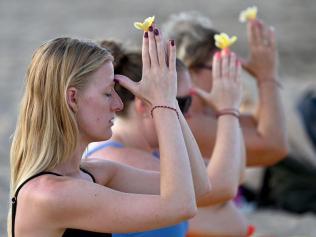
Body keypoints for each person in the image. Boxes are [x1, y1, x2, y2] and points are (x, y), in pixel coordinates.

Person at [8, 27, 208, 237]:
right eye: (107, 93)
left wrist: (171, 104)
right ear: (73, 98)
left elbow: (198, 187)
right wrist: (163, 102)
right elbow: (180, 207)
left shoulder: (95, 173)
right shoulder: (50, 194)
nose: (118, 104)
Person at [86, 36, 247, 236]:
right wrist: (229, 111)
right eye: (182, 102)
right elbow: (220, 188)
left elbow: (235, 175)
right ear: (144, 105)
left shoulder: (151, 152)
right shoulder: (116, 158)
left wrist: (230, 112)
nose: (187, 113)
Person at [162, 11, 288, 166]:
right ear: (190, 69)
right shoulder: (189, 121)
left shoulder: (206, 111)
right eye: (221, 65)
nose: (230, 72)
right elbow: (274, 146)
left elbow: (260, 124)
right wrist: (267, 77)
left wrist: (264, 76)